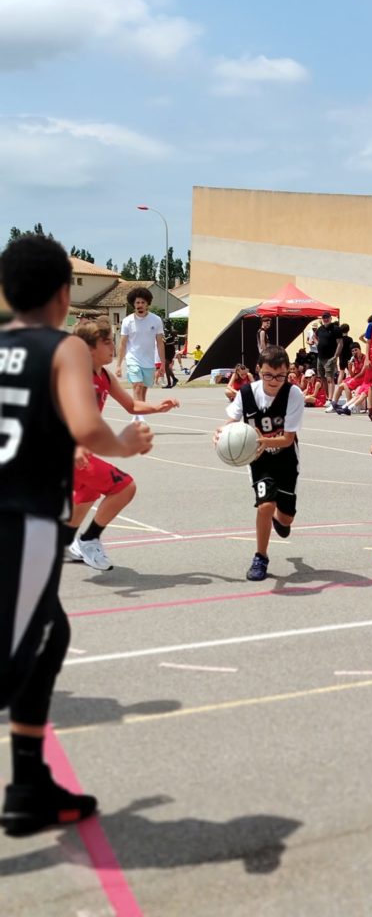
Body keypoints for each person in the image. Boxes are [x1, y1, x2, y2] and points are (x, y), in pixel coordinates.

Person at [0, 234, 152, 836]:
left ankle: (28, 785)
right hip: (23, 520)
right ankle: (28, 786)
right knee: (18, 657)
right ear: (65, 296)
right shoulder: (61, 347)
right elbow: (88, 427)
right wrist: (126, 443)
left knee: (50, 634)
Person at [64, 317, 179, 571]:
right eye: (106, 342)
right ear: (89, 349)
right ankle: (89, 539)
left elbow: (131, 404)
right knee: (125, 487)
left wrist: (157, 407)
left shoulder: (104, 375)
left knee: (89, 492)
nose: (113, 347)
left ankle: (63, 542)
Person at [215, 345, 304, 582]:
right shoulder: (246, 393)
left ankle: (278, 517)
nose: (274, 381)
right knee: (265, 505)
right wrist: (221, 433)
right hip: (258, 459)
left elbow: (288, 439)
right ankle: (260, 557)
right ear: (258, 370)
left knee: (286, 520)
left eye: (280, 376)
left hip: (286, 458)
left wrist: (261, 440)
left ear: (288, 372)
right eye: (268, 375)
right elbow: (231, 421)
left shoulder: (293, 394)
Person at [115, 288, 165, 403]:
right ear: (133, 304)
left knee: (143, 392)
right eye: (137, 302)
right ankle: (137, 413)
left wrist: (162, 364)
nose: (140, 305)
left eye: (143, 302)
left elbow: (160, 343)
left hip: (149, 361)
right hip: (133, 359)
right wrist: (118, 365)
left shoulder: (156, 320)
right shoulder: (127, 321)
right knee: (137, 387)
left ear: (147, 304)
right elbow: (123, 344)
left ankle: (140, 411)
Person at [315, 312, 342, 401]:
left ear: (330, 318)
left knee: (330, 378)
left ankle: (330, 399)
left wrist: (335, 356)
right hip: (320, 357)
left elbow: (340, 343)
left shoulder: (336, 329)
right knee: (323, 378)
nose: (325, 319)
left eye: (327, 318)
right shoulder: (320, 329)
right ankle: (327, 397)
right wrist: (318, 343)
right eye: (324, 318)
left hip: (330, 357)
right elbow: (315, 336)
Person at [162, 322, 178, 388]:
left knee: (166, 367)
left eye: (167, 323)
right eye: (165, 324)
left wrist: (166, 343)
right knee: (167, 367)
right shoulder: (164, 331)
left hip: (170, 351)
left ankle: (169, 383)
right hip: (165, 350)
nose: (166, 325)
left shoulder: (173, 332)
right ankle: (174, 379)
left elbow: (175, 342)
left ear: (170, 324)